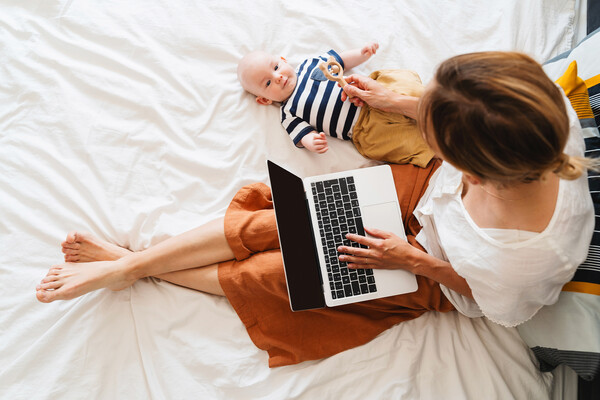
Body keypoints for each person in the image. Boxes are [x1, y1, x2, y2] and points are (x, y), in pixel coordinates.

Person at [36, 51, 595, 368]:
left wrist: (412, 260)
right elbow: (454, 102)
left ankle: (129, 266)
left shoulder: (523, 255)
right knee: (285, 219)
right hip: (430, 195)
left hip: (441, 271)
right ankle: (127, 267)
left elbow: (498, 306)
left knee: (282, 276)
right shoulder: (538, 110)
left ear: (471, 170)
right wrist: (396, 102)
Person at [237, 44, 435, 167]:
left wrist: (361, 53)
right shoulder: (288, 112)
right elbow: (302, 135)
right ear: (264, 100)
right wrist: (312, 141)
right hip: (364, 128)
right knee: (401, 141)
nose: (278, 77)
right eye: (268, 83)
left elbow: (340, 62)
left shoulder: (310, 64)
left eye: (276, 67)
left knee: (399, 85)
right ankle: (433, 144)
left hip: (372, 90)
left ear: (283, 60)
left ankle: (431, 101)